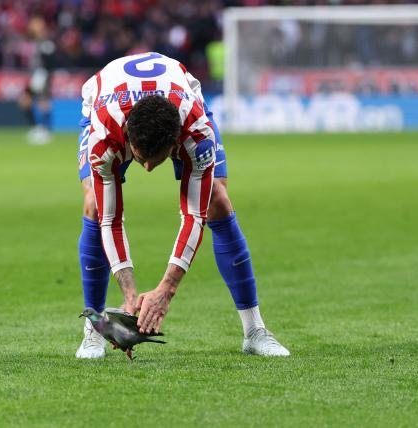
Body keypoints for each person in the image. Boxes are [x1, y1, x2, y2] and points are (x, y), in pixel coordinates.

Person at [75, 52, 289, 358]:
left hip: (183, 101)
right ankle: (93, 330)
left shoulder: (195, 133)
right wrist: (130, 292)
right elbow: (111, 219)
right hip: (103, 101)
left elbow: (193, 216)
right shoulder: (105, 135)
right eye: (139, 158)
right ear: (127, 141)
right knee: (95, 207)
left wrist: (166, 290)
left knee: (217, 201)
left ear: (175, 145)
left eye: (155, 160)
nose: (147, 168)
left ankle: (255, 331)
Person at [18, 16, 57, 145]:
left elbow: (51, 63)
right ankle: (39, 129)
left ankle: (44, 130)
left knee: (42, 102)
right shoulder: (33, 42)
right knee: (28, 100)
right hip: (36, 75)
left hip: (42, 75)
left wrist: (46, 77)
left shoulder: (46, 44)